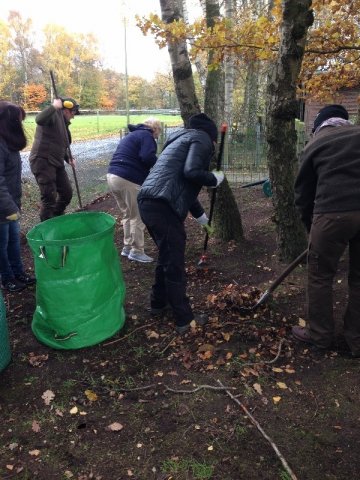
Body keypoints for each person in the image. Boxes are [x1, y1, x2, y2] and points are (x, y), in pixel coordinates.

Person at [138, 113, 225, 334]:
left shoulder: (179, 141)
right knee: (174, 261)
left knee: (166, 256)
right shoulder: (202, 139)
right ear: (212, 136)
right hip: (162, 205)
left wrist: (202, 218)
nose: (213, 146)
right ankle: (184, 320)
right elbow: (192, 172)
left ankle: (158, 303)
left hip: (148, 201)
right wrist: (213, 178)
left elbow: (182, 185)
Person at [292, 104, 360, 358]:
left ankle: (320, 336)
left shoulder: (316, 142)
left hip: (332, 213)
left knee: (320, 275)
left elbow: (303, 194)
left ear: (320, 124)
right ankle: (357, 340)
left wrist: (311, 227)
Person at [107, 117, 162, 263]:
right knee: (137, 216)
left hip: (113, 175)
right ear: (155, 129)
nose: (158, 135)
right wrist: (159, 166)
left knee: (127, 214)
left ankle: (127, 246)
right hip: (128, 179)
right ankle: (137, 250)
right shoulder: (147, 135)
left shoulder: (132, 135)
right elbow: (147, 156)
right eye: (159, 131)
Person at [0, 100, 36, 292]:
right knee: (2, 245)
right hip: (3, 208)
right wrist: (10, 208)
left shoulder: (7, 141)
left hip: (10, 205)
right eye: (18, 120)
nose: (20, 124)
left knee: (13, 241)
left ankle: (19, 272)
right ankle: (7, 278)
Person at [29, 97, 80, 221]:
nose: (73, 116)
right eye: (73, 112)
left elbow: (60, 144)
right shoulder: (53, 115)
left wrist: (68, 158)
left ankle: (56, 218)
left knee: (67, 193)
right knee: (49, 197)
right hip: (43, 160)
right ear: (66, 110)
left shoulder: (63, 123)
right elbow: (39, 119)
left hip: (56, 162)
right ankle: (46, 227)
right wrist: (54, 107)